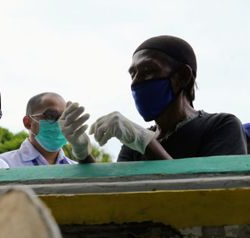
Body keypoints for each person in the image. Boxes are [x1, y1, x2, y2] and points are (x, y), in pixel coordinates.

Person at [89, 35, 247, 160]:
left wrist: (146, 143)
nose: (135, 82)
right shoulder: (133, 145)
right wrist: (83, 155)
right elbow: (116, 193)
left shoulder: (221, 126)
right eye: (133, 74)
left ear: (182, 77)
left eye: (148, 71)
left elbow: (214, 193)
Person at [0, 92, 94, 238]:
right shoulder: (2, 166)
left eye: (64, 118)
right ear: (28, 122)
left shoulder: (80, 171)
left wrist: (87, 159)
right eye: (51, 116)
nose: (59, 123)